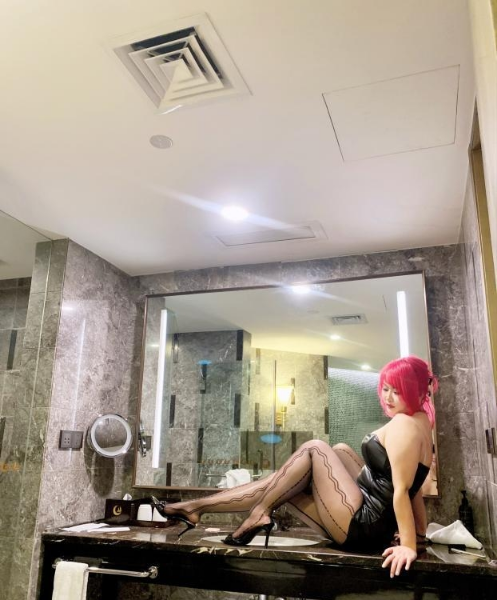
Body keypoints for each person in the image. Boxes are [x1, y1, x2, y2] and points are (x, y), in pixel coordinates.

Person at [152, 355, 437, 578]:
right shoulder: (421, 421)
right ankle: (201, 508)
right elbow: (414, 488)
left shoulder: (403, 426)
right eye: (385, 389)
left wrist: (408, 546)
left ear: (414, 390)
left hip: (363, 526)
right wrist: (419, 535)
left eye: (397, 391)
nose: (387, 397)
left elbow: (402, 491)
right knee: (311, 466)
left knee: (313, 449)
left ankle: (248, 512)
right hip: (374, 520)